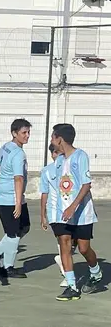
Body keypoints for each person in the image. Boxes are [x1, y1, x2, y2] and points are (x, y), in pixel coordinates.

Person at [43, 124, 102, 301]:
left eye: (53, 137)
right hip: (62, 213)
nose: (52, 141)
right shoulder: (59, 160)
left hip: (82, 212)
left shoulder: (80, 156)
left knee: (84, 248)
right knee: (64, 243)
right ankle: (71, 286)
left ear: (59, 138)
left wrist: (73, 206)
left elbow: (86, 185)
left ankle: (96, 272)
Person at [0, 118, 31, 280]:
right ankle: (8, 267)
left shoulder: (5, 147)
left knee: (24, 227)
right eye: (24, 133)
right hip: (10, 198)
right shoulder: (17, 153)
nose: (27, 136)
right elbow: (18, 178)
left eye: (28, 132)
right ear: (14, 133)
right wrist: (17, 203)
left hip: (12, 196)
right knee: (13, 234)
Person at [40, 144, 74, 289]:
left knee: (73, 243)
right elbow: (44, 193)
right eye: (55, 153)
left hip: (71, 211)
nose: (58, 155)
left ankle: (62, 260)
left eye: (60, 152)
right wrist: (43, 215)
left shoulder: (70, 168)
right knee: (63, 241)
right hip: (55, 213)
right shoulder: (47, 171)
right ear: (52, 154)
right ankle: (67, 276)